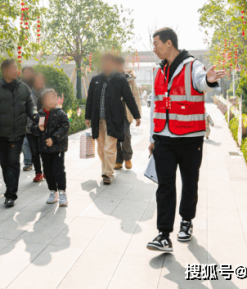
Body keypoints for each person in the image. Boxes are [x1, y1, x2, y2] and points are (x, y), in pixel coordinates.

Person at [146, 28, 226, 252]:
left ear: (168, 43)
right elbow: (155, 107)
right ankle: (163, 235)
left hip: (190, 138)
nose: (154, 48)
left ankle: (186, 221)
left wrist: (208, 80)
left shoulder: (193, 65)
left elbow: (201, 82)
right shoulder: (158, 70)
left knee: (190, 183)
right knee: (165, 186)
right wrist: (152, 137)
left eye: (156, 43)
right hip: (163, 138)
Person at [0, 59, 38, 207]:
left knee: (13, 162)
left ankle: (10, 194)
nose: (16, 70)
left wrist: (34, 115)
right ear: (5, 71)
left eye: (16, 68)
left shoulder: (23, 88)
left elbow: (30, 105)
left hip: (18, 133)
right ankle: (10, 186)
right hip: (0, 134)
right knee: (5, 163)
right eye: (13, 68)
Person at [85, 52, 142, 185]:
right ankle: (107, 168)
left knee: (109, 147)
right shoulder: (96, 80)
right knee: (101, 148)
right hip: (98, 120)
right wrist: (87, 116)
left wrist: (137, 115)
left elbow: (129, 98)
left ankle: (107, 173)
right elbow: (90, 100)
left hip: (114, 119)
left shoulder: (120, 79)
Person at [30, 89, 70, 207]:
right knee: (47, 171)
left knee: (58, 170)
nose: (52, 100)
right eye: (49, 98)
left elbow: (65, 127)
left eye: (54, 97)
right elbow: (32, 129)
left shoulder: (60, 113)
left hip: (58, 148)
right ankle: (53, 191)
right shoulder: (40, 115)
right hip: (44, 149)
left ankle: (62, 192)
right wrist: (38, 128)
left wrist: (53, 139)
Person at [114, 55, 142, 170]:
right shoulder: (110, 78)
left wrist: (137, 115)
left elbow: (136, 97)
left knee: (125, 134)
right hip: (113, 112)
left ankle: (127, 158)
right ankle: (118, 160)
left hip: (126, 111)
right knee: (114, 136)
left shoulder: (130, 80)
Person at [25, 72, 46, 182]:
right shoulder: (27, 94)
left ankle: (46, 171)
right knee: (34, 151)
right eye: (37, 80)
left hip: (44, 128)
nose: (39, 82)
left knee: (45, 150)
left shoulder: (47, 94)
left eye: (41, 80)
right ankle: (38, 173)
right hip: (30, 127)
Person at [20, 67, 36, 172]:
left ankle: (36, 161)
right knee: (24, 141)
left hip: (35, 117)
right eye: (24, 72)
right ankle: (28, 162)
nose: (26, 74)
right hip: (23, 118)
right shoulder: (20, 85)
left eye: (28, 72)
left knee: (35, 141)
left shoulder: (36, 85)